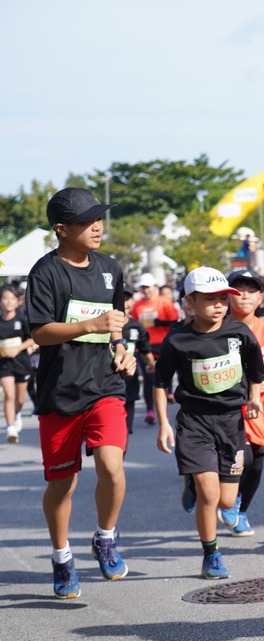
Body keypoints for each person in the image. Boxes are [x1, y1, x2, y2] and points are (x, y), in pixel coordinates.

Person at [25, 187, 137, 598]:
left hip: (105, 386)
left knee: (111, 466)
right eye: (87, 221)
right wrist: (88, 326)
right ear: (61, 229)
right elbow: (39, 331)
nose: (98, 226)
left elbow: (118, 322)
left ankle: (105, 537)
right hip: (59, 392)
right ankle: (62, 557)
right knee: (62, 485)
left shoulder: (110, 268)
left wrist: (124, 351)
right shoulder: (46, 272)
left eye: (99, 218)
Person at [154, 267, 264, 579]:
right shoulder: (178, 340)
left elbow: (256, 371)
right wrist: (163, 423)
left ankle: (192, 479)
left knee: (228, 500)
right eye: (210, 299)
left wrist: (254, 396)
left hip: (231, 423)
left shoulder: (240, 334)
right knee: (209, 494)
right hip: (194, 423)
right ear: (190, 301)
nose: (219, 305)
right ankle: (211, 554)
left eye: (223, 299)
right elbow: (160, 383)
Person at [218, 269, 264, 536]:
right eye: (239, 290)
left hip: (258, 410)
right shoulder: (218, 328)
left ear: (261, 298)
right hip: (226, 409)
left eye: (251, 291)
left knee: (256, 462)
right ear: (228, 296)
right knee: (244, 458)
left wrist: (258, 389)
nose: (245, 296)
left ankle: (240, 509)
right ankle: (207, 491)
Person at [131, 272, 180, 426]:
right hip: (145, 347)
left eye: (148, 287)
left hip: (163, 345)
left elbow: (174, 322)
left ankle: (163, 409)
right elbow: (134, 324)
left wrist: (160, 322)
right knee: (148, 379)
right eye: (143, 287)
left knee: (162, 378)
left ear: (155, 287)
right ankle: (150, 410)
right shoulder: (137, 306)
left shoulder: (164, 302)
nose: (146, 290)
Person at [1, 285, 34, 443]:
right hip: (4, 364)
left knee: (19, 400)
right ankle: (10, 427)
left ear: (17, 302)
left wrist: (18, 348)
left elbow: (33, 338)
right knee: (9, 395)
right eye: (5, 298)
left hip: (21, 362)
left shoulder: (22, 319)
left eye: (12, 299)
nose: (8, 302)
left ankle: (18, 413)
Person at [119, 287, 152, 436]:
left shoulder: (137, 327)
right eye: (120, 298)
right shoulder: (103, 325)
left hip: (129, 381)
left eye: (127, 299)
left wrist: (152, 365)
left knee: (124, 432)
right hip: (105, 383)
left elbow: (145, 351)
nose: (123, 302)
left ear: (132, 301)